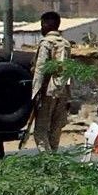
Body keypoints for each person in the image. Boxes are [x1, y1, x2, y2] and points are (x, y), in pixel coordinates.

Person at [29, 11, 71, 152]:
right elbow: (68, 70)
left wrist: (34, 95)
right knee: (55, 133)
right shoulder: (65, 44)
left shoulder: (46, 43)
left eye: (42, 25)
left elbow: (40, 70)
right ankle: (53, 163)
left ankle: (49, 163)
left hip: (48, 91)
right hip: (62, 92)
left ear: (46, 25)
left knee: (40, 133)